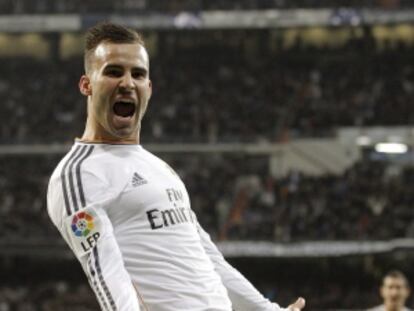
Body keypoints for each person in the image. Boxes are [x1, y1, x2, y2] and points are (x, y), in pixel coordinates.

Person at [47, 22, 306, 311]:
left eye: (138, 74)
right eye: (113, 71)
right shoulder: (78, 174)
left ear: (149, 87)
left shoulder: (160, 168)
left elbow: (209, 258)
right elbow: (107, 275)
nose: (127, 83)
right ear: (87, 85)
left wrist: (269, 310)